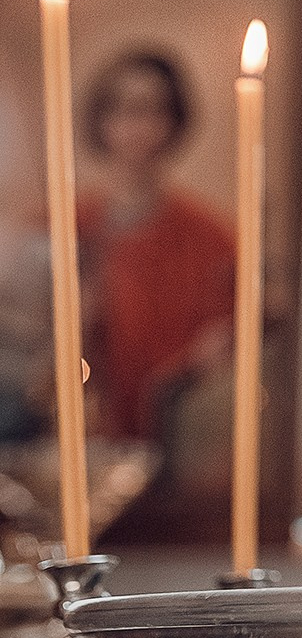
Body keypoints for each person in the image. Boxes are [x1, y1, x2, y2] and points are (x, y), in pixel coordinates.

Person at [76, 51, 233, 443]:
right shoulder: (60, 224)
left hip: (162, 438)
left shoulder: (209, 237)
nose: (137, 126)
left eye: (152, 110)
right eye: (124, 109)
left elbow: (219, 338)